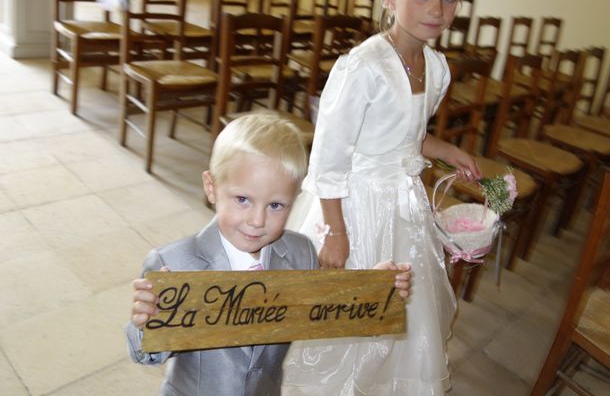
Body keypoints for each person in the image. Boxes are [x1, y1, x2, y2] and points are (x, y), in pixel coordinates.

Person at [282, 0, 481, 394]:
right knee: (342, 311)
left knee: (400, 314)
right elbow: (328, 160)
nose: (436, 9)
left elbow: (407, 137)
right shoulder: (362, 68)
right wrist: (334, 232)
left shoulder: (436, 67)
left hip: (402, 207)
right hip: (350, 205)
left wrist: (448, 149)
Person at [125, 113, 412, 396]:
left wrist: (376, 293)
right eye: (242, 199)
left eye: (276, 205)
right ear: (212, 188)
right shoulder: (172, 265)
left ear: (293, 202)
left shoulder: (300, 253)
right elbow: (146, 355)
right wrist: (147, 322)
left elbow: (324, 308)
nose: (257, 220)